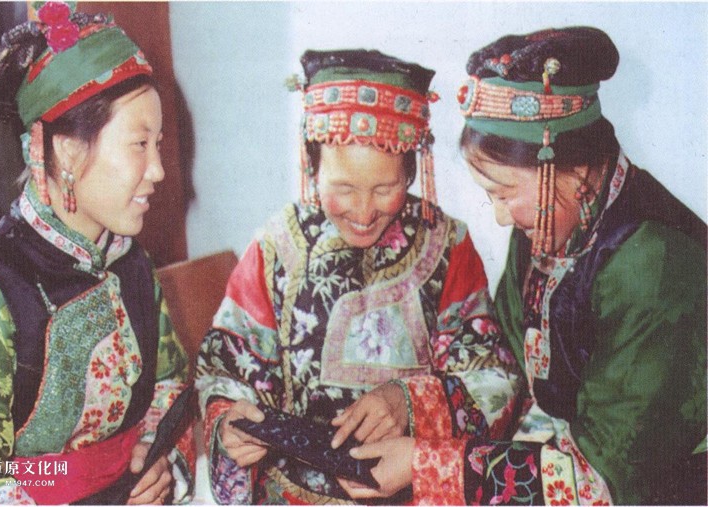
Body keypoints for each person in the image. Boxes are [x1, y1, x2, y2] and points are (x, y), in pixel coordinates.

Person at [340, 26, 707, 505]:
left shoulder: (654, 263)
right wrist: (407, 406)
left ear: (573, 172)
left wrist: (427, 464)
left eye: (505, 193)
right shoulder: (547, 226)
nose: (499, 216)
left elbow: (606, 478)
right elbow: (510, 370)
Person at [193, 48, 521, 504]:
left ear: (411, 173)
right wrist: (228, 421)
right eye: (343, 188)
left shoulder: (447, 246)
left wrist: (409, 402)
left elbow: (493, 379)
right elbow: (226, 365)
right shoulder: (276, 246)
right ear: (312, 169)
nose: (364, 212)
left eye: (385, 188)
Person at [0, 3, 195, 504]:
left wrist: (159, 458)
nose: (158, 170)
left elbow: (170, 388)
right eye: (139, 144)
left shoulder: (131, 264)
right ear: (66, 150)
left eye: (159, 143)